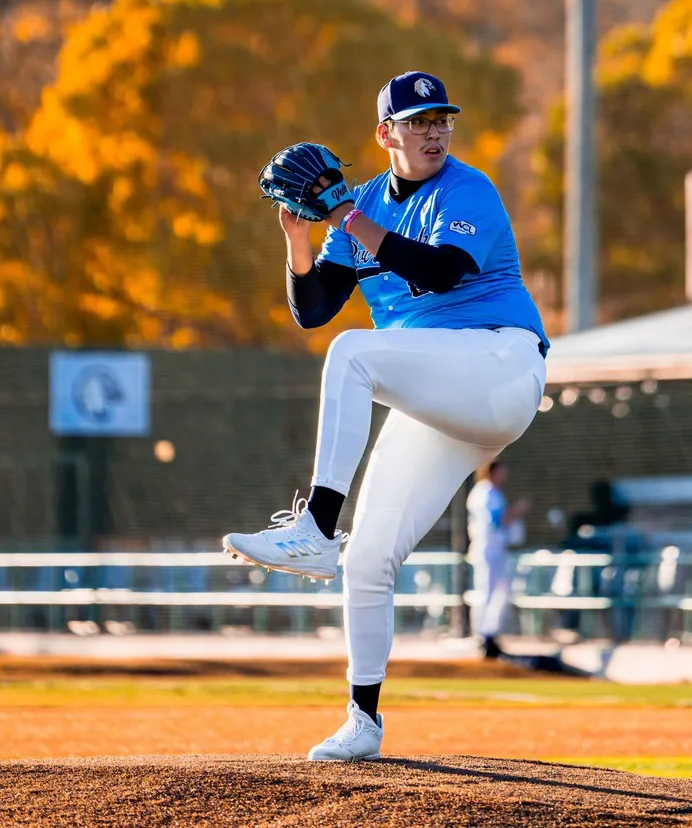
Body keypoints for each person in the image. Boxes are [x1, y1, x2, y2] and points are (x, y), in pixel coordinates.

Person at [222, 70, 548, 761]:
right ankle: (362, 720)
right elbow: (313, 309)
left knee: (354, 354)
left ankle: (314, 523)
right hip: (439, 395)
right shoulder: (365, 200)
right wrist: (298, 238)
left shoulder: (468, 189)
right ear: (385, 134)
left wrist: (344, 217)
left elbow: (441, 275)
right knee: (368, 558)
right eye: (419, 120)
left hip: (498, 366)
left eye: (442, 120)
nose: (435, 131)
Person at [466, 458, 530, 659]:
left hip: (498, 550)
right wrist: (518, 510)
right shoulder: (484, 493)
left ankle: (491, 634)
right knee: (486, 592)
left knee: (502, 592)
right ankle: (482, 637)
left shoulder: (494, 493)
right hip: (487, 550)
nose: (504, 476)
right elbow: (496, 520)